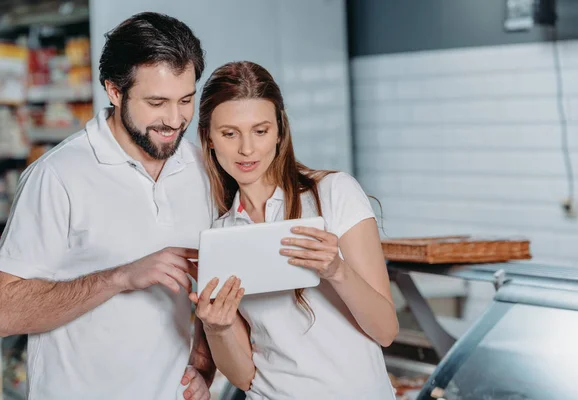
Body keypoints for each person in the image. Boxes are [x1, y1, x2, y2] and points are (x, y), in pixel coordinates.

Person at [0, 13, 215, 400]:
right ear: (114, 91)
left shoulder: (202, 169)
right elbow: (4, 312)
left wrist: (205, 366)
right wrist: (119, 278)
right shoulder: (57, 176)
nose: (174, 119)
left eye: (186, 100)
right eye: (156, 102)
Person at [190, 61, 400, 399]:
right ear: (209, 139)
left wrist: (337, 271)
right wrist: (217, 328)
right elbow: (245, 377)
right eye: (229, 133)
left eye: (260, 131)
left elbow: (386, 330)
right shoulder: (220, 235)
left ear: (279, 132)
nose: (247, 149)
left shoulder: (333, 193)